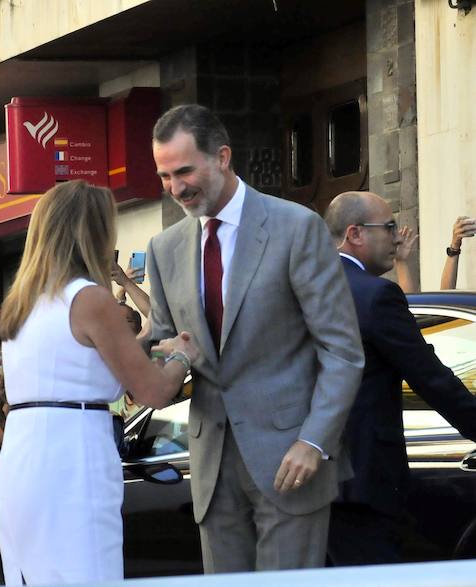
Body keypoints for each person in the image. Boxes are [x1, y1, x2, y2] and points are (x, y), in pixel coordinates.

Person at [146, 104, 364, 573]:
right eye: (164, 176)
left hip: (291, 457)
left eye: (184, 171)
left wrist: (315, 441)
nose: (175, 188)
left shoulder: (295, 227)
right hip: (209, 461)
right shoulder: (165, 249)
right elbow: (166, 346)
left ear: (222, 156)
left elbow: (342, 351)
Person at [0, 180, 199, 585]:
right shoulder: (89, 298)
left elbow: (75, 368)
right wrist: (181, 356)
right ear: (94, 232)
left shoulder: (20, 302)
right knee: (86, 570)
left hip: (21, 455)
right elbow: (155, 392)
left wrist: (144, 354)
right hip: (74, 452)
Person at [324, 191, 476, 565]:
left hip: (303, 482)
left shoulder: (301, 288)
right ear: (355, 233)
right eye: (389, 227)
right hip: (362, 483)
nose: (395, 237)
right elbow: (431, 378)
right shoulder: (376, 296)